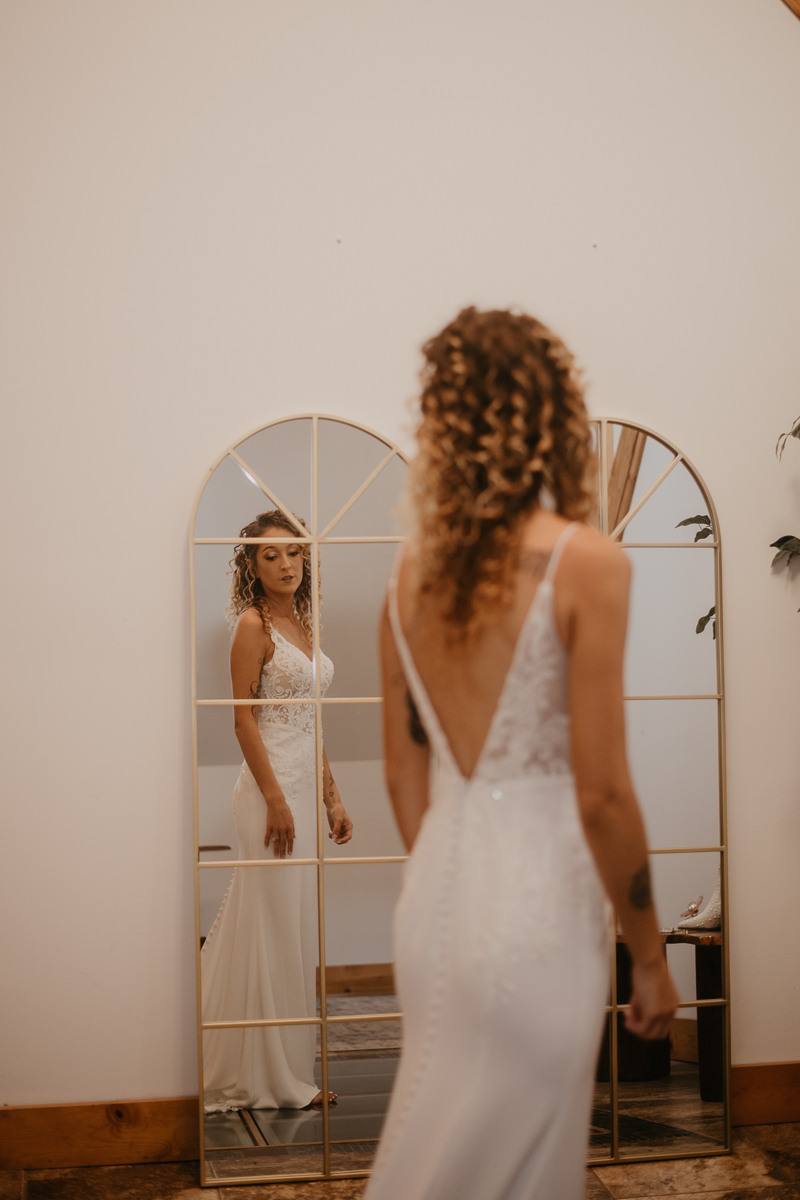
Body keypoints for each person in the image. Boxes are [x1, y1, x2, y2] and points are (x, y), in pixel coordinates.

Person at [366, 309, 678, 1199]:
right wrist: (650, 958)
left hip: (435, 907)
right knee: (523, 1160)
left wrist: (453, 880)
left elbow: (402, 773)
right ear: (551, 417)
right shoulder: (588, 562)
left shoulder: (405, 575)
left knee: (445, 1142)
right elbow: (603, 795)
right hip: (539, 911)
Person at [201, 509, 353, 1112]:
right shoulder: (251, 625)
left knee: (286, 927)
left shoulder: (304, 624)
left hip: (300, 789)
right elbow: (243, 720)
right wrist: (276, 800)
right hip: (267, 796)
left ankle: (279, 1064)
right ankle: (272, 1079)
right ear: (252, 565)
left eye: (294, 553)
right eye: (272, 556)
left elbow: (309, 722)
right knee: (270, 926)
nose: (286, 564)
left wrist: (332, 798)